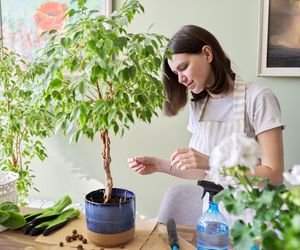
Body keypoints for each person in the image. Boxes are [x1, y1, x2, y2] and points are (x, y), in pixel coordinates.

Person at [128, 25, 284, 213]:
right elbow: (202, 171)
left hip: (252, 218)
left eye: (183, 68)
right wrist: (159, 164)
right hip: (212, 215)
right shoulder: (199, 106)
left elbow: (274, 175)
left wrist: (212, 162)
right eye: (175, 73)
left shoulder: (258, 98)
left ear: (207, 54)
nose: (180, 79)